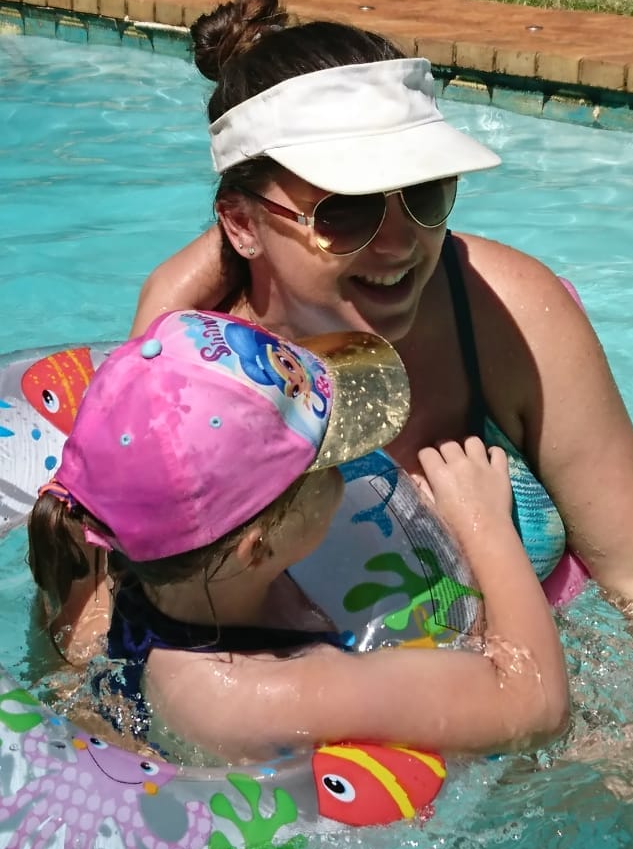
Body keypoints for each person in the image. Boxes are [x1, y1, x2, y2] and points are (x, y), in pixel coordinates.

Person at [125, 0, 633, 667]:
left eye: (425, 190)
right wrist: (155, 323)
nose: (402, 243)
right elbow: (119, 639)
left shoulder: (505, 311)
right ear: (240, 223)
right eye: (346, 210)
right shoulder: (194, 380)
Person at [27, 309, 568, 763]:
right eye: (329, 463)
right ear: (258, 546)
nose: (351, 467)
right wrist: (484, 523)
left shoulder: (114, 546)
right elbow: (535, 705)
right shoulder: (256, 692)